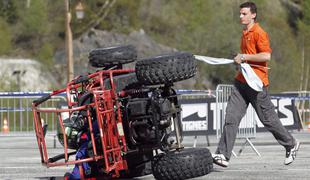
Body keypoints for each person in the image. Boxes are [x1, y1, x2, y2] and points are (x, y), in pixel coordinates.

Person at [212, 1, 300, 167]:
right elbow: (248, 57)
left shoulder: (259, 33)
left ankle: (291, 144)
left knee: (268, 120)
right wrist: (239, 61)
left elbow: (266, 56)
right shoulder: (244, 33)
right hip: (241, 82)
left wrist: (244, 57)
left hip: (257, 84)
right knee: (231, 117)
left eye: (244, 13)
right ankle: (223, 155)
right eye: (240, 13)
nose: (240, 16)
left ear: (253, 15)